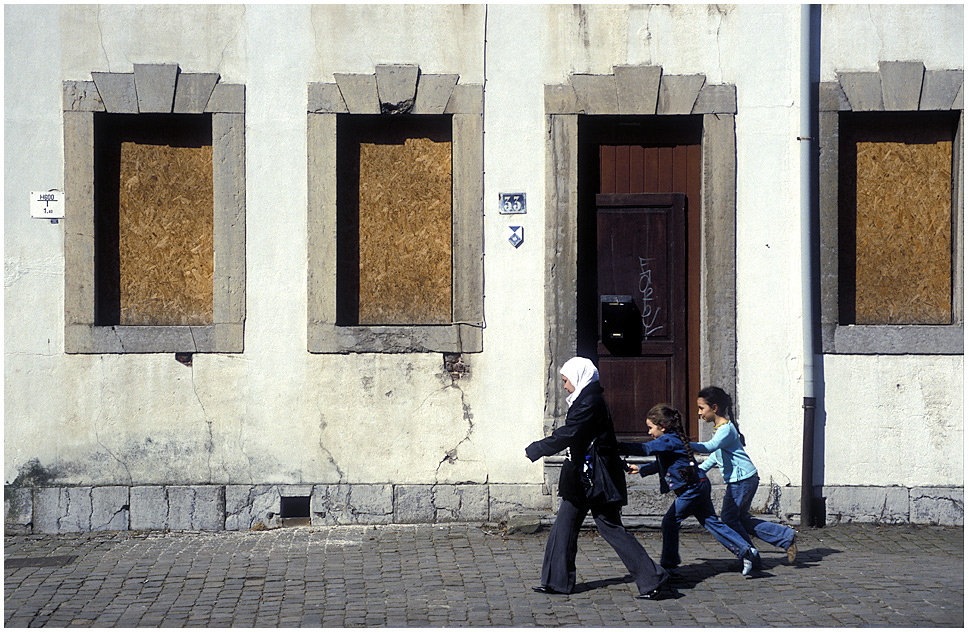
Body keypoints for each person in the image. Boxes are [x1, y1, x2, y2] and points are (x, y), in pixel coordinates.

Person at [525, 357, 668, 599]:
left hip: (595, 478)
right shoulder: (587, 399)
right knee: (564, 526)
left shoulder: (590, 402)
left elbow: (571, 432)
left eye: (566, 380)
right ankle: (556, 582)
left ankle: (652, 578)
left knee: (610, 527)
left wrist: (538, 448)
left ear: (578, 378)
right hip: (584, 477)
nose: (564, 386)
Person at [620, 403, 760, 576]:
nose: (649, 432)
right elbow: (663, 463)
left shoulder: (669, 439)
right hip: (699, 484)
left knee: (670, 522)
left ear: (662, 427)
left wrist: (615, 445)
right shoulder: (671, 439)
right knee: (711, 522)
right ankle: (746, 551)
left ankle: (669, 566)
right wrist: (641, 469)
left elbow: (645, 448)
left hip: (692, 489)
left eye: (650, 428)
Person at [691, 386, 797, 564]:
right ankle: (784, 537)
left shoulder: (725, 429)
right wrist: (699, 471)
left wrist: (684, 443)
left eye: (702, 408)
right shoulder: (719, 429)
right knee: (738, 518)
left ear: (714, 408)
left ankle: (750, 554)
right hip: (743, 480)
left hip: (743, 480)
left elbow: (709, 447)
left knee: (729, 517)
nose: (699, 412)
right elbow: (714, 456)